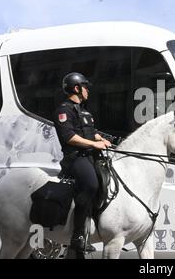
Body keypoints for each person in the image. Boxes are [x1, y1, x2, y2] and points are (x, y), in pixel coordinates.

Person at [53, 72, 112, 259]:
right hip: (75, 158)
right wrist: (95, 144)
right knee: (91, 184)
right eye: (85, 87)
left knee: (108, 180)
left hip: (89, 156)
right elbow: (69, 137)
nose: (88, 90)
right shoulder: (64, 110)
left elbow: (90, 132)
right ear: (76, 88)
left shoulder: (85, 111)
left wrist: (102, 139)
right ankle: (77, 235)